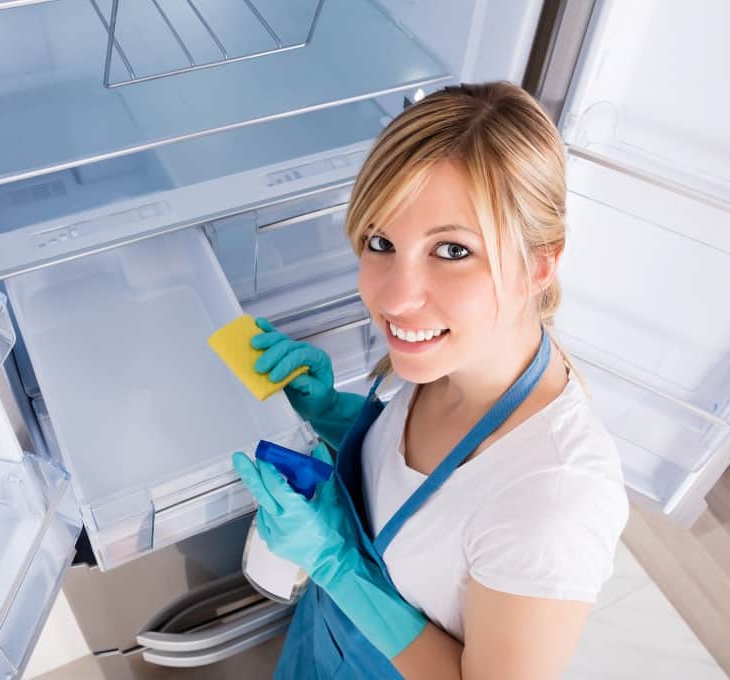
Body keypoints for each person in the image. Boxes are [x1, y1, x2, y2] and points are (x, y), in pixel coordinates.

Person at [232, 82, 629, 680]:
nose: (394, 297)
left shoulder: (554, 503)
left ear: (539, 262)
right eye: (381, 242)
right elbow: (416, 487)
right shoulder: (454, 362)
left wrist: (337, 562)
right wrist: (332, 413)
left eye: (451, 250)